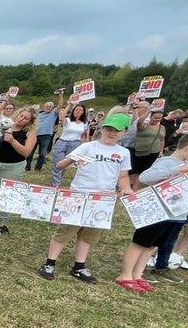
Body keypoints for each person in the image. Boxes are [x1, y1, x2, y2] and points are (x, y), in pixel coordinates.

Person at [38, 113, 134, 283]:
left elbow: (123, 176)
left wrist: (126, 188)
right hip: (78, 195)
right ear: (102, 129)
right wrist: (72, 159)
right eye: (108, 129)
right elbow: (60, 165)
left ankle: (79, 266)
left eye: (116, 131)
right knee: (66, 231)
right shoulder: (88, 146)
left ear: (124, 132)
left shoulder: (123, 153)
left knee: (89, 234)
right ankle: (49, 263)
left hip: (103, 200)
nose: (111, 133)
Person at [137, 135, 188, 286]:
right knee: (152, 241)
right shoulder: (166, 162)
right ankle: (142, 268)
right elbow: (145, 177)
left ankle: (162, 265)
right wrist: (178, 170)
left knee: (169, 240)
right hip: (164, 211)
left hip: (179, 213)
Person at [49, 104, 89, 187]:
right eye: (76, 109)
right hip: (62, 142)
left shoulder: (84, 123)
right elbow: (61, 118)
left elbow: (84, 136)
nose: (78, 111)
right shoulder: (67, 120)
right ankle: (55, 185)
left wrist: (84, 145)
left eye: (80, 110)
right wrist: (70, 104)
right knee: (57, 164)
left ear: (83, 112)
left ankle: (57, 180)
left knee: (65, 164)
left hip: (75, 144)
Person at [131, 108, 166, 188]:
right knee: (134, 170)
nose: (157, 119)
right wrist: (149, 111)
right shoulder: (144, 125)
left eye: (159, 118)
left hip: (154, 153)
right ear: (150, 116)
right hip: (140, 152)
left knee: (142, 172)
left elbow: (162, 140)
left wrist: (161, 151)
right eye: (155, 117)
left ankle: (135, 188)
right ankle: (130, 186)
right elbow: (139, 121)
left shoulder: (162, 128)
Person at [26, 99, 61, 171]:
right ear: (44, 107)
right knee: (30, 151)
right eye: (47, 106)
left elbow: (60, 105)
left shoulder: (53, 114)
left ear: (52, 108)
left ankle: (38, 168)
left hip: (46, 136)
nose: (48, 107)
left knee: (42, 153)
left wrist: (60, 95)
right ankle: (27, 166)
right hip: (35, 135)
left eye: (50, 106)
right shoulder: (39, 113)